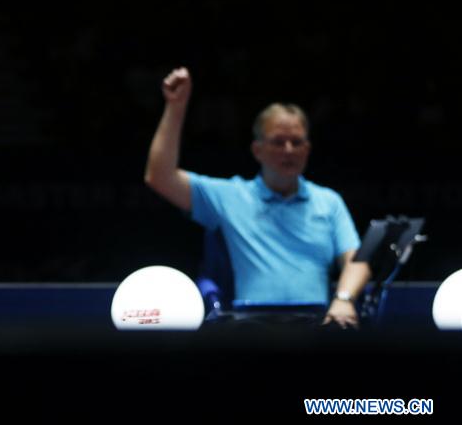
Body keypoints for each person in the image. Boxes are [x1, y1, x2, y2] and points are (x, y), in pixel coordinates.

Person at [144, 67, 371, 329]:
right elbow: (159, 177)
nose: (289, 150)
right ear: (257, 150)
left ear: (307, 149)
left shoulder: (328, 201)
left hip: (316, 323)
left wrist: (344, 299)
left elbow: (357, 261)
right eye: (278, 142)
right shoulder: (229, 196)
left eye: (297, 142)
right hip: (250, 325)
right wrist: (176, 106)